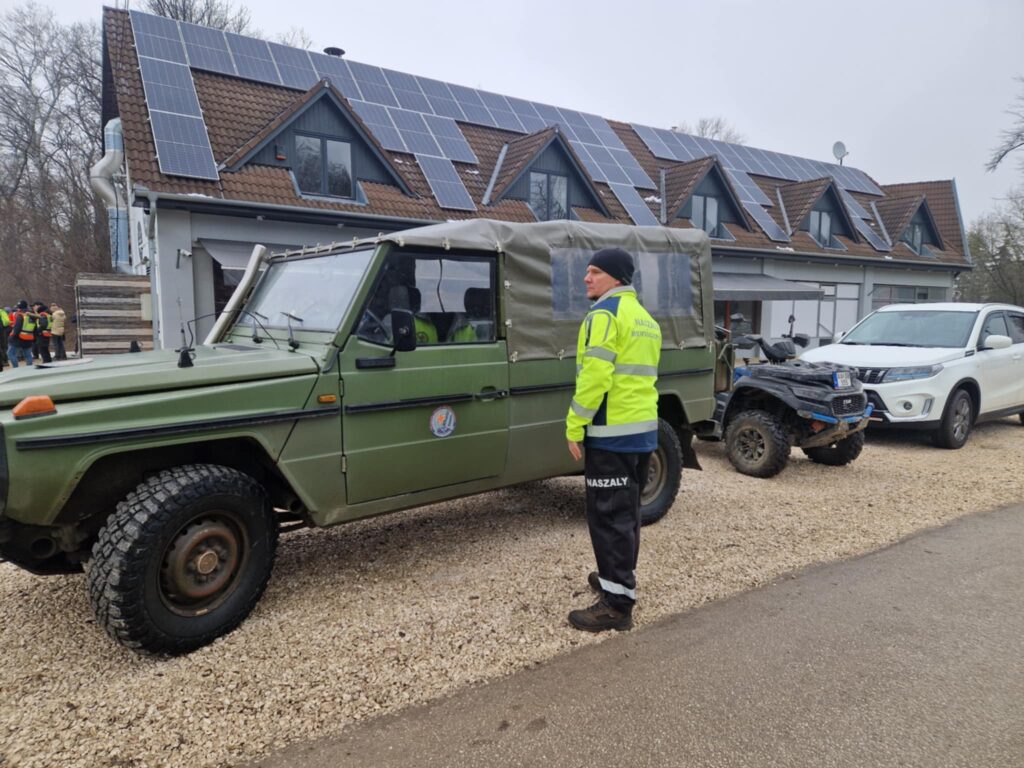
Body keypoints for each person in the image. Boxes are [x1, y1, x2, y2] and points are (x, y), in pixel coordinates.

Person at [565, 247, 661, 633]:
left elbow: (595, 377)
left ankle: (617, 606)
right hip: (640, 433)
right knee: (626, 516)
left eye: (595, 272)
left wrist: (574, 426)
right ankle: (614, 579)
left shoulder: (604, 314)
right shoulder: (644, 318)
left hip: (610, 437)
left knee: (608, 519)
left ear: (616, 277)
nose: (586, 278)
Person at [7, 300, 36, 368]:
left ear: (19, 308)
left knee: (10, 353)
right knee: (28, 355)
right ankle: (30, 369)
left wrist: (12, 337)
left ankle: (16, 369)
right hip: (29, 337)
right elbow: (35, 327)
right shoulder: (32, 315)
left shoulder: (20, 315)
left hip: (19, 338)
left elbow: (17, 328)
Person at [0, 306, 10, 370]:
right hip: (3, 329)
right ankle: (5, 361)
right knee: (4, 346)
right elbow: (6, 322)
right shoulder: (2, 311)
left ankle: (2, 361)